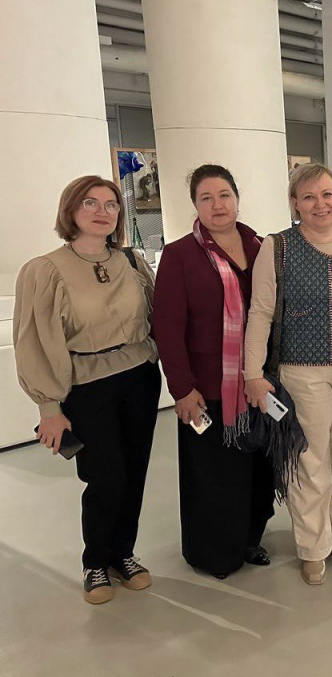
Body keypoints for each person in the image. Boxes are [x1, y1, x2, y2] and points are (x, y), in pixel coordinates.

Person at [13, 175, 162, 604]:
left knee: (134, 471)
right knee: (105, 476)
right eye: (90, 203)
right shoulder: (45, 270)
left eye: (111, 204)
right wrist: (48, 406)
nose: (102, 212)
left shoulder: (132, 262)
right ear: (70, 211)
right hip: (86, 385)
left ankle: (123, 554)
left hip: (139, 376)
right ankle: (95, 560)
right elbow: (34, 341)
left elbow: (156, 317)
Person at [243, 163, 332, 586]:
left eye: (327, 194)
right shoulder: (277, 247)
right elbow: (260, 312)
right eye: (308, 197)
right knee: (309, 459)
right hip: (301, 371)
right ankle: (312, 546)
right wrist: (252, 373)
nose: (320, 204)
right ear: (295, 204)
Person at [152, 164, 275, 579]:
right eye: (206, 198)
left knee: (256, 470)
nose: (217, 205)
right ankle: (212, 553)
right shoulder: (180, 255)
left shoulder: (261, 247)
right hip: (206, 388)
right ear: (195, 205)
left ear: (237, 199)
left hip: (257, 382)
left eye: (224, 195)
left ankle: (249, 538)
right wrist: (182, 389)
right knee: (213, 475)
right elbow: (167, 328)